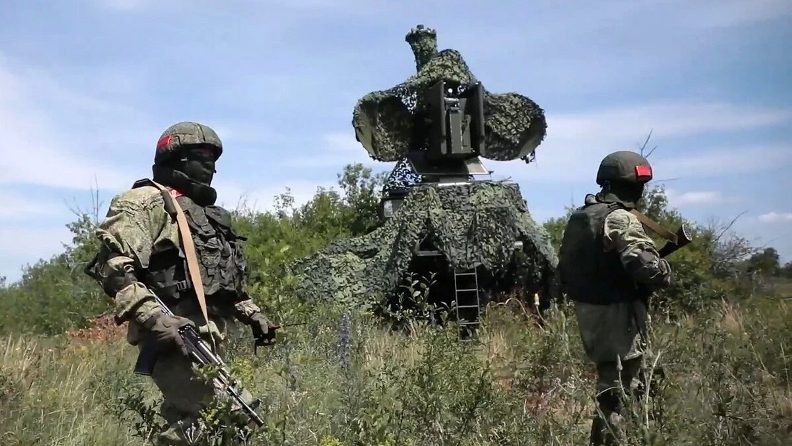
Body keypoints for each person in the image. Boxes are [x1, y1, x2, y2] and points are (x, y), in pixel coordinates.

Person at [86, 122, 275, 445]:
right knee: (204, 422)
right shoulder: (145, 202)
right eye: (202, 156)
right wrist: (156, 319)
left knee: (230, 423)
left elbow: (218, 278)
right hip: (171, 334)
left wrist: (251, 312)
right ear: (178, 159)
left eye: (214, 159)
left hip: (207, 337)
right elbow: (115, 267)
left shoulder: (205, 214)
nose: (211, 166)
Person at [558, 150, 672, 445]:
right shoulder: (619, 217)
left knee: (613, 386)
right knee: (620, 392)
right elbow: (645, 267)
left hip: (591, 313)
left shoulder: (583, 215)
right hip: (618, 316)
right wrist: (663, 270)